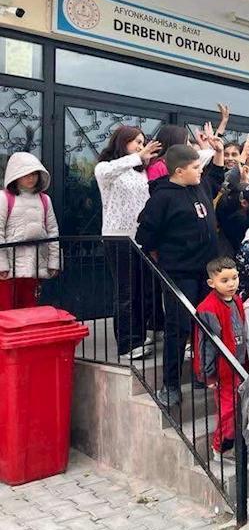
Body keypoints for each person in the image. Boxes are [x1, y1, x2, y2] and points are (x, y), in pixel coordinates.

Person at [135, 142, 225, 407]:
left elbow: (216, 179)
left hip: (206, 271)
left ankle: (201, 372)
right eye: (196, 167)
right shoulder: (163, 197)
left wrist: (218, 152)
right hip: (179, 272)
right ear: (179, 171)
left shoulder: (200, 186)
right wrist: (160, 256)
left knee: (205, 324)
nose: (200, 171)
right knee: (179, 327)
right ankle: (170, 384)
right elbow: (145, 235)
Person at [94, 127, 163, 358]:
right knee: (126, 292)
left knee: (144, 291)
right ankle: (127, 344)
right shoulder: (106, 168)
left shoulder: (141, 172)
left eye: (142, 142)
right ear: (122, 142)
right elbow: (109, 171)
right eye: (135, 141)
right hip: (118, 238)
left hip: (141, 239)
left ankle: (140, 337)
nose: (140, 146)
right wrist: (136, 157)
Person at [194, 257, 246, 460]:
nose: (232, 284)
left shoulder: (237, 301)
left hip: (238, 366)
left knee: (236, 408)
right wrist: (209, 375)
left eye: (234, 278)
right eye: (225, 280)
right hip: (223, 370)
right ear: (211, 283)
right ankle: (220, 448)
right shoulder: (208, 308)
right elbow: (205, 345)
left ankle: (229, 444)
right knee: (228, 410)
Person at [0, 152, 60, 311]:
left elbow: (52, 231)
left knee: (30, 310)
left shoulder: (44, 200)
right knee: (7, 311)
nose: (31, 178)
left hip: (35, 265)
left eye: (34, 174)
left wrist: (54, 261)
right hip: (8, 269)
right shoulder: (4, 198)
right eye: (26, 174)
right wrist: (2, 265)